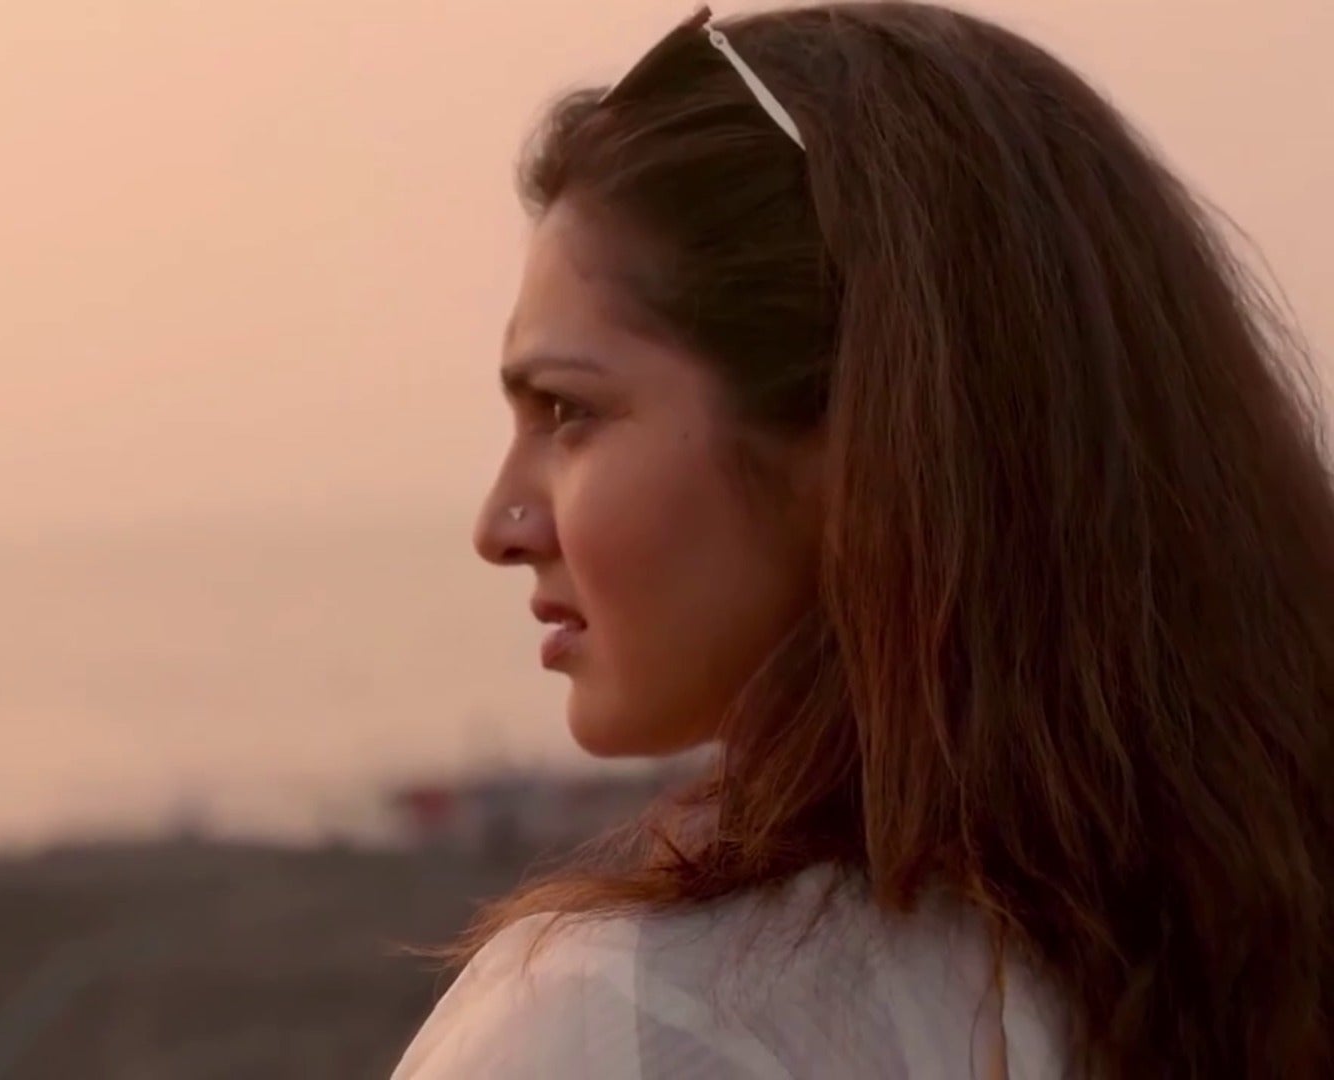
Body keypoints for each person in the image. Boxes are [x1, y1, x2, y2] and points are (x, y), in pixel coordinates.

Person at [392, 4, 1332, 1077]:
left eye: (570, 410)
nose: (500, 526)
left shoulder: (642, 1026)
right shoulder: (1247, 970)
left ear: (864, 437)